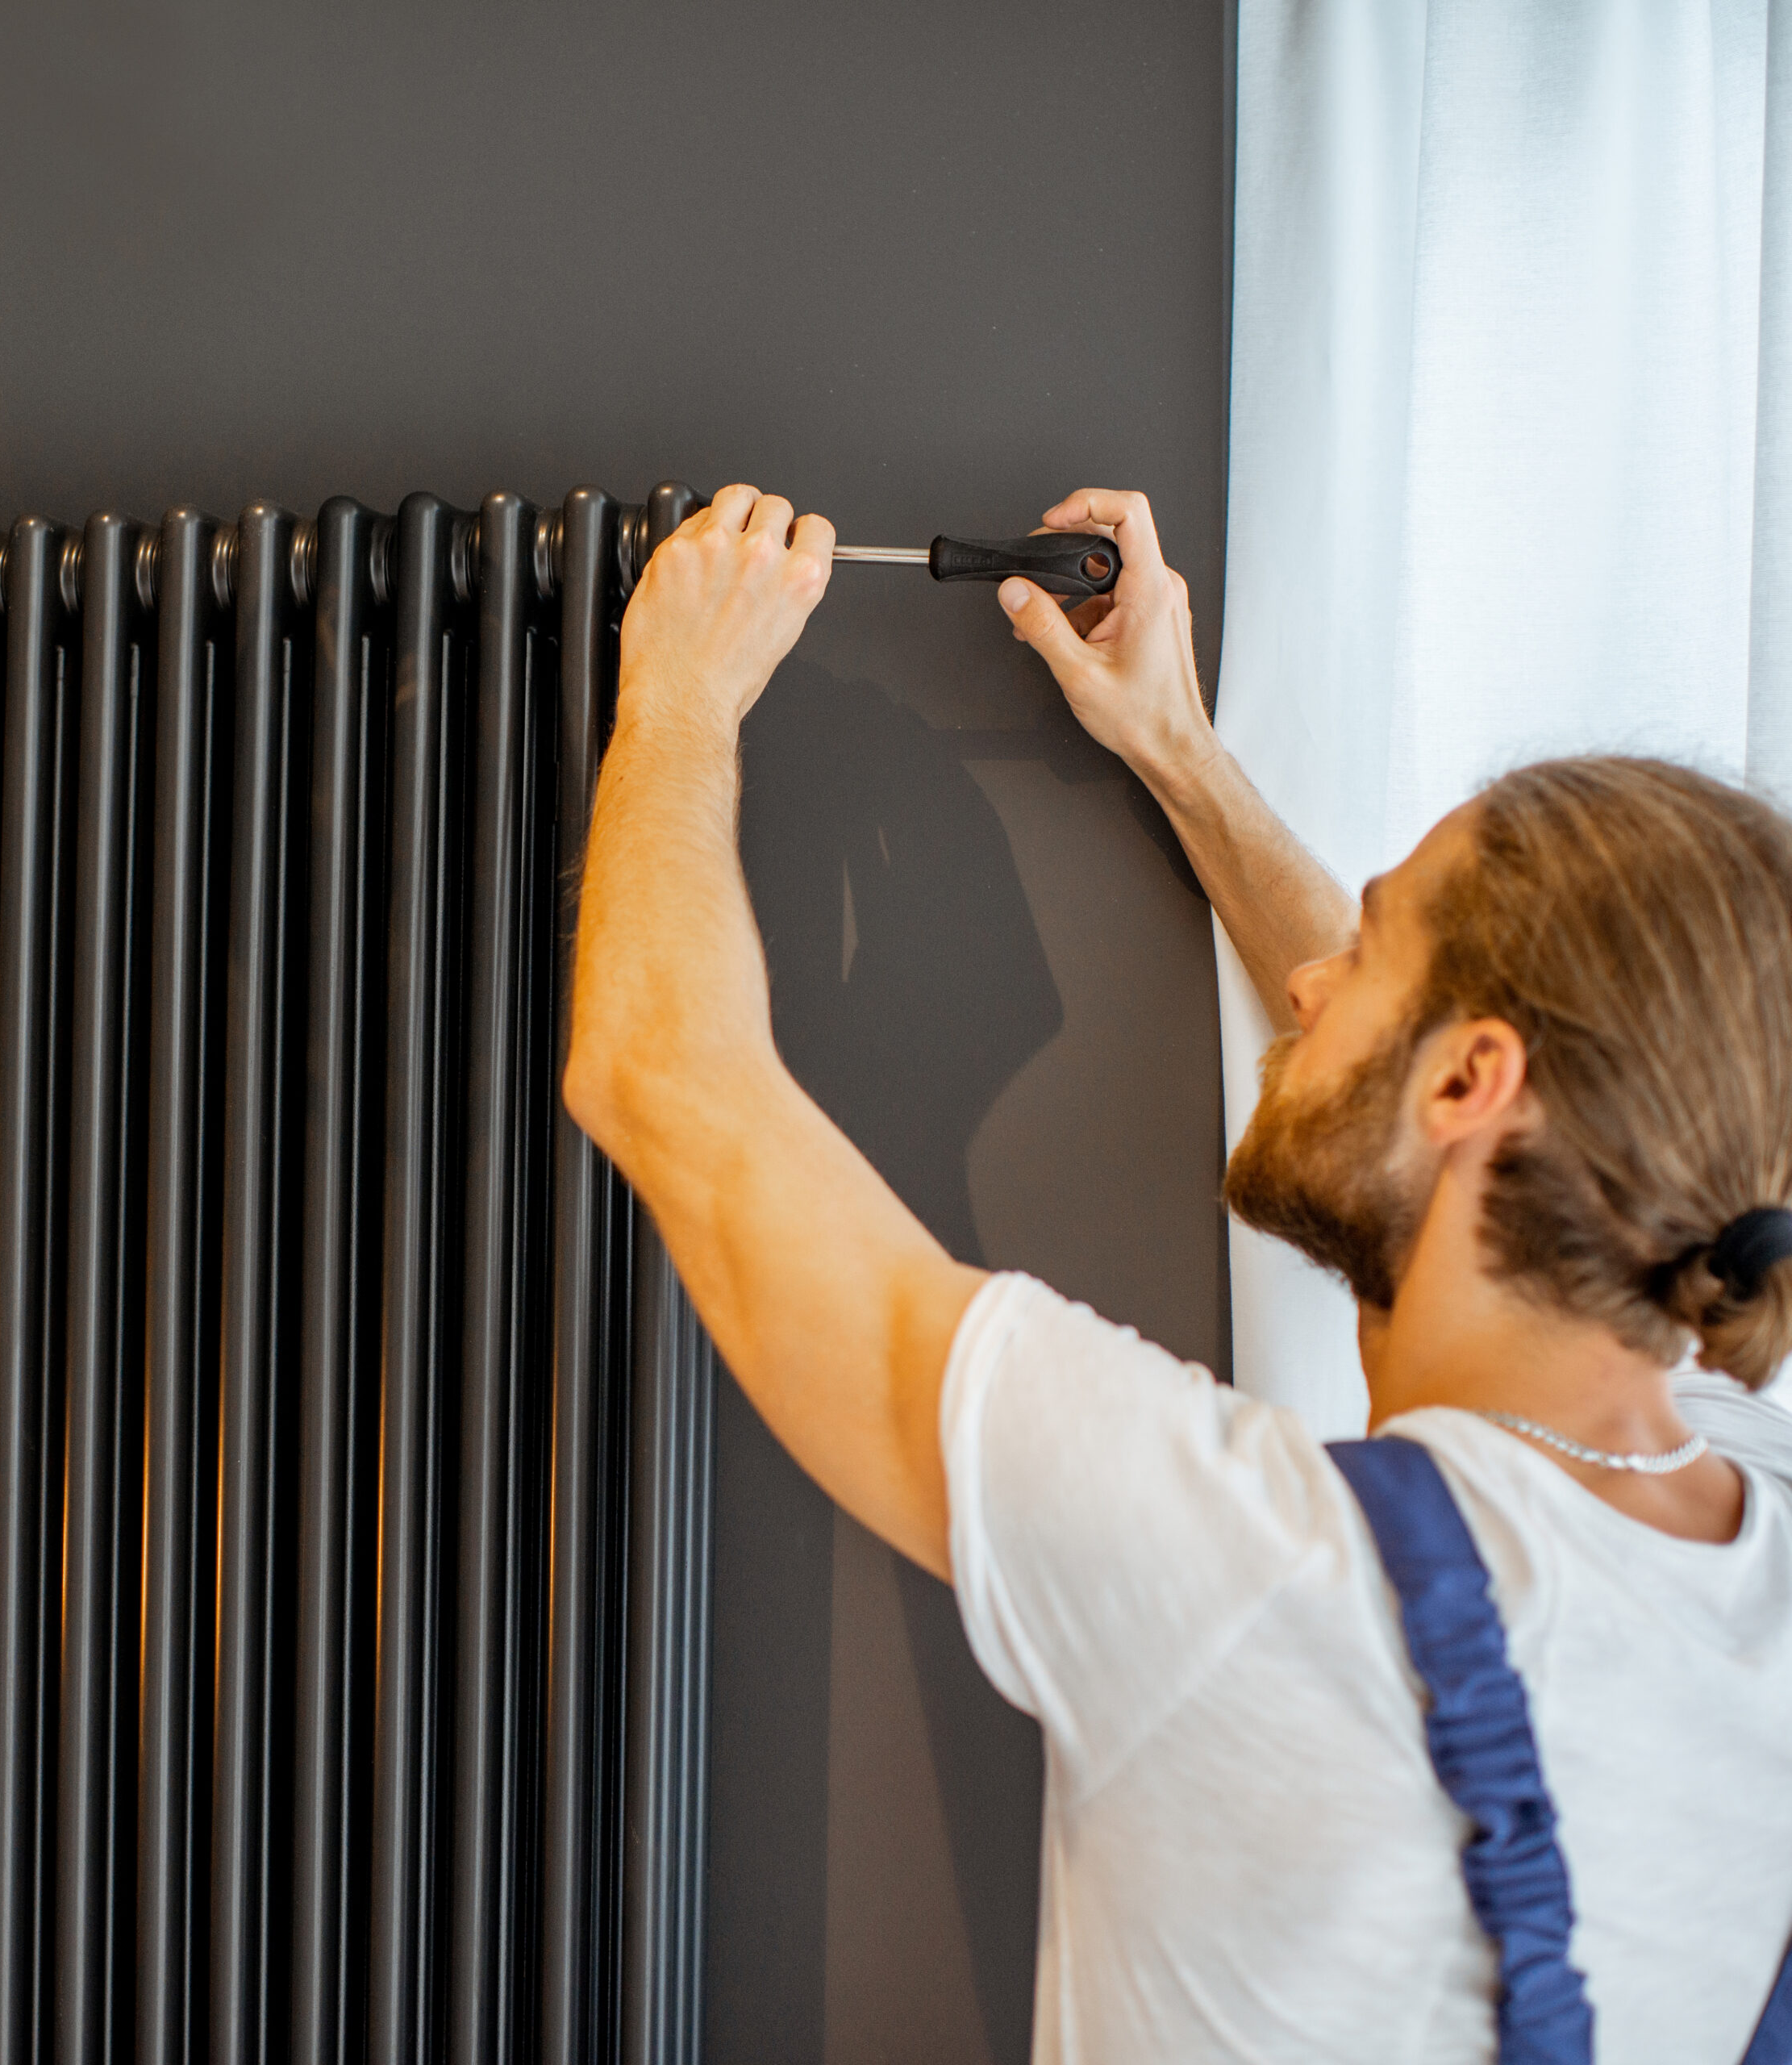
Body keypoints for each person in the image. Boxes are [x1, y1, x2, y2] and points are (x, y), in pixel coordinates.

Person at [564, 484, 1792, 2062]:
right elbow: (1413, 1128)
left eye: (1365, 946)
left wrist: (676, 690)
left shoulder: (1258, 1574)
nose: (1302, 977)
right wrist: (1179, 753)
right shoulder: (1742, 1527)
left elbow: (663, 1078)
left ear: (1471, 1080)